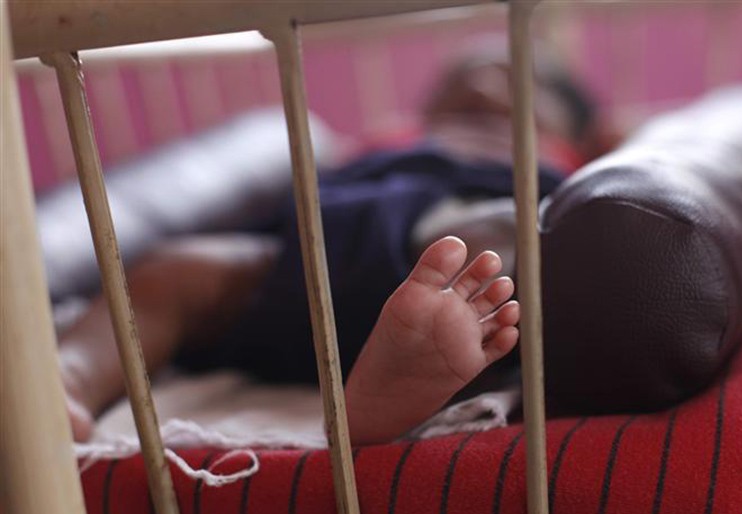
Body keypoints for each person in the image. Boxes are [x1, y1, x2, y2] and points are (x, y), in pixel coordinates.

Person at [61, 39, 609, 446]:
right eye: (460, 86)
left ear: (573, 132)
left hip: (449, 240)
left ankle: (399, 384)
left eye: (519, 84)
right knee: (179, 272)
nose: (485, 88)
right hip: (315, 255)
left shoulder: (570, 159)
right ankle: (68, 383)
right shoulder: (386, 143)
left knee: (490, 269)